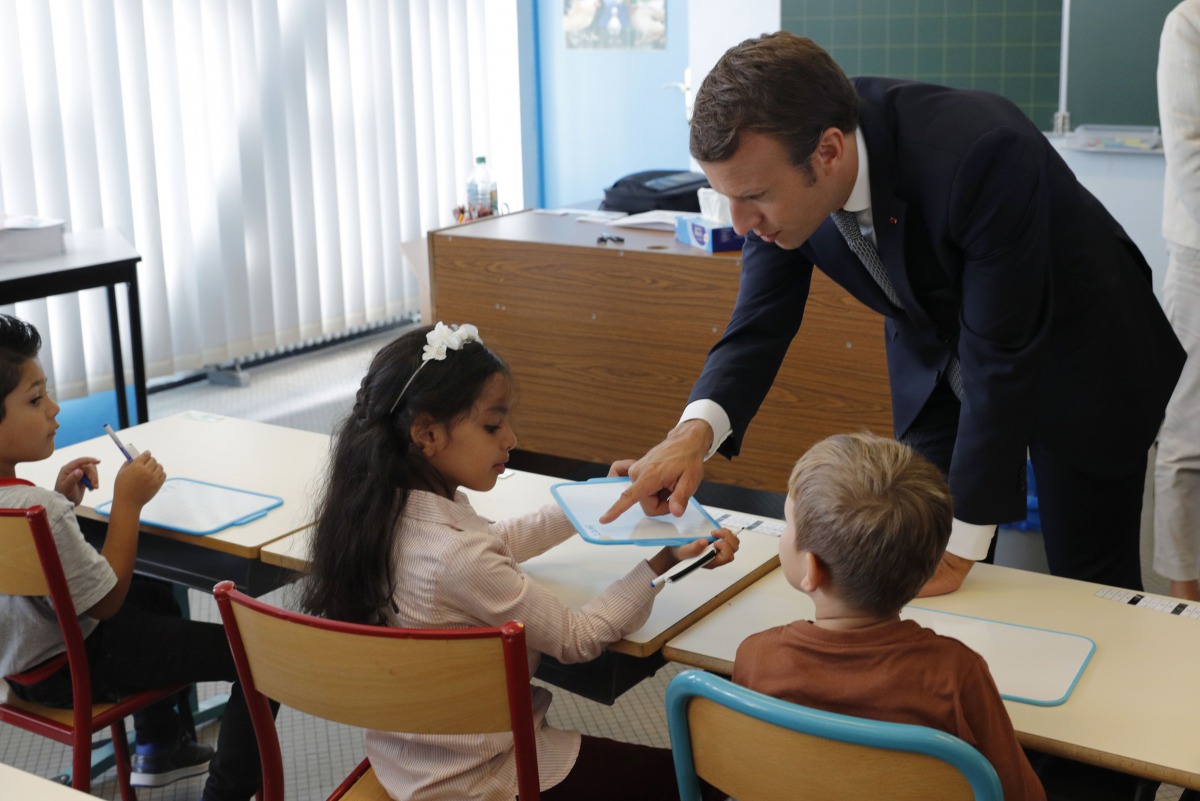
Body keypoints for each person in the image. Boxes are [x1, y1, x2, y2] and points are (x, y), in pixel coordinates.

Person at [603, 31, 1185, 596]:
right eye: (726, 195)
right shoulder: (777, 167)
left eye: (752, 196)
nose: (740, 222)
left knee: (1088, 580)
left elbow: (1000, 354)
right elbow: (760, 321)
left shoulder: (981, 150)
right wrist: (692, 435)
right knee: (913, 558)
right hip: (940, 359)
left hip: (1083, 357)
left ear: (828, 152)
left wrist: (966, 542)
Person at [298, 322, 738, 801]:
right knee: (707, 782)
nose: (511, 437)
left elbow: (493, 543)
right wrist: (661, 563)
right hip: (485, 778)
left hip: (407, 760)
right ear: (426, 433)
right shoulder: (458, 556)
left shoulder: (377, 512)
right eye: (492, 425)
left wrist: (594, 499)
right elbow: (577, 638)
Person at [0, 314, 267, 799]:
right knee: (263, 658)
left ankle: (159, 747)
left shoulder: (26, 505)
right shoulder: (38, 509)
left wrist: (63, 502)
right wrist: (127, 503)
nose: (54, 409)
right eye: (36, 399)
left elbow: (29, 554)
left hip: (21, 666)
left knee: (156, 592)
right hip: (76, 662)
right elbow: (106, 602)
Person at [733, 432, 1045, 801]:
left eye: (787, 524)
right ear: (927, 568)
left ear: (812, 569)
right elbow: (1021, 795)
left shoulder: (757, 657)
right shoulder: (956, 674)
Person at [1154, 0, 1200, 601]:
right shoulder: (1190, 21)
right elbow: (1191, 156)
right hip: (1199, 254)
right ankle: (1184, 601)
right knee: (1187, 436)